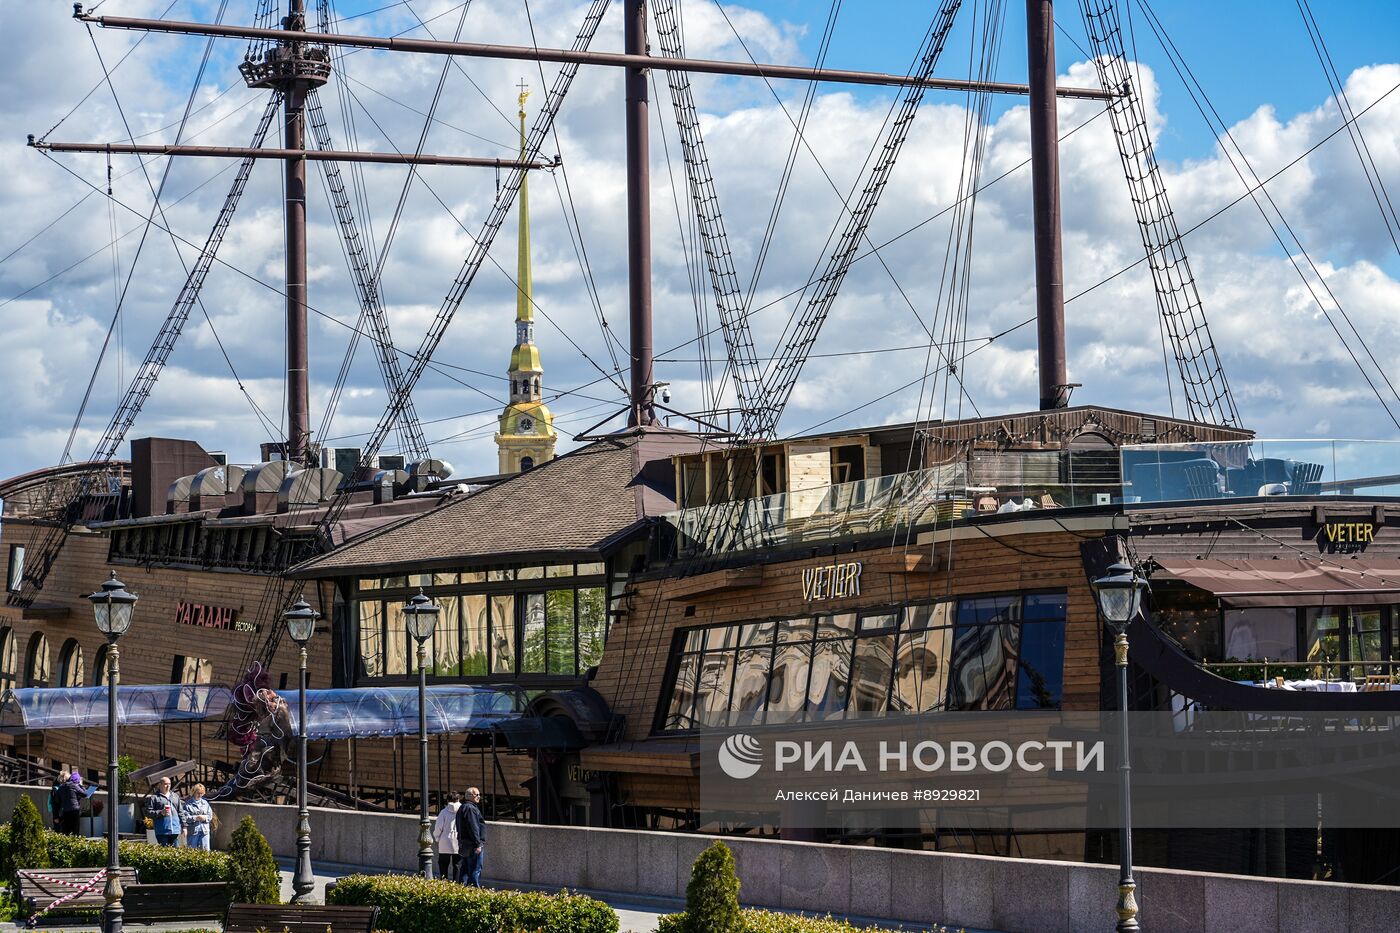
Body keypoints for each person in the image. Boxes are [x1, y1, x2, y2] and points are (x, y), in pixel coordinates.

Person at [455, 787, 486, 886]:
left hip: (465, 844)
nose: (479, 797)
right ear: (470, 796)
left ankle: (462, 890)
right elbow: (473, 827)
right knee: (475, 869)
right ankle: (474, 892)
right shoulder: (470, 808)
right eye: (477, 795)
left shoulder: (463, 807)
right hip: (472, 844)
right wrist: (478, 844)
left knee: (465, 869)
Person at [144, 777, 183, 846]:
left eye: (169, 784)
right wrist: (161, 812)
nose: (168, 786)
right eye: (166, 784)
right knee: (165, 853)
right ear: (160, 785)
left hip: (175, 830)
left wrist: (184, 826)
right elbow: (147, 812)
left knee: (176, 854)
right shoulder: (154, 797)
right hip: (162, 831)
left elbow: (180, 812)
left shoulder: (175, 796)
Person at [433, 791, 462, 881]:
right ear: (458, 799)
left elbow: (438, 827)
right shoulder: (463, 810)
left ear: (447, 800)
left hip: (444, 840)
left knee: (443, 864)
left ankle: (443, 884)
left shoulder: (444, 812)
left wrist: (437, 837)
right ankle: (456, 885)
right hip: (458, 840)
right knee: (457, 865)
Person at [181, 783, 214, 851]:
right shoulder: (188, 804)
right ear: (194, 792)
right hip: (193, 831)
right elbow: (185, 817)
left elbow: (210, 815)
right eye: (198, 793)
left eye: (201, 793)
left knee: (205, 851)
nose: (200, 795)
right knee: (191, 851)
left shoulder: (205, 803)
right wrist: (195, 818)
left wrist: (204, 818)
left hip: (204, 831)